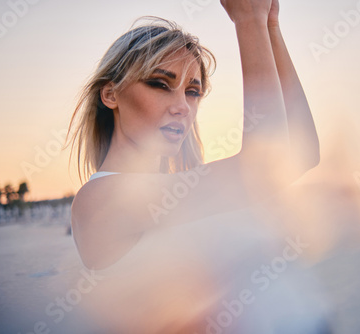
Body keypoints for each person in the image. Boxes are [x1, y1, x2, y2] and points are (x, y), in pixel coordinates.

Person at [67, 0, 330, 332]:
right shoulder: (98, 199)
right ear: (111, 94)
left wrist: (269, 24)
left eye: (193, 91)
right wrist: (248, 19)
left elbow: (302, 155)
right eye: (160, 84)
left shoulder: (180, 187)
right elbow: (266, 166)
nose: (182, 106)